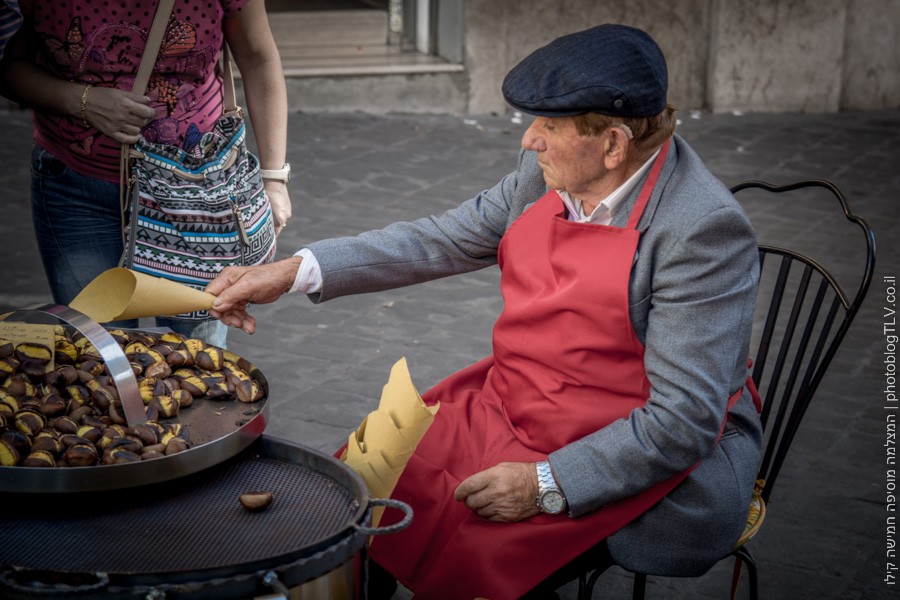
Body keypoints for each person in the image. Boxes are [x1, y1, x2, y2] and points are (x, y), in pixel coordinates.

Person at [206, 23, 763, 599]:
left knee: (477, 544)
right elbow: (443, 239)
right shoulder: (552, 172)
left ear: (614, 145)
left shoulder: (701, 231)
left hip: (629, 440)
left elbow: (681, 422)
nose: (529, 140)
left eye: (548, 125)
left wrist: (545, 483)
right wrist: (295, 270)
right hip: (522, 397)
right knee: (358, 489)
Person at [0, 0, 291, 347]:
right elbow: (9, 67)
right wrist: (82, 100)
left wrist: (274, 179)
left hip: (196, 197)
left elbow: (258, 58)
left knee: (198, 353)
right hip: (76, 189)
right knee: (98, 352)